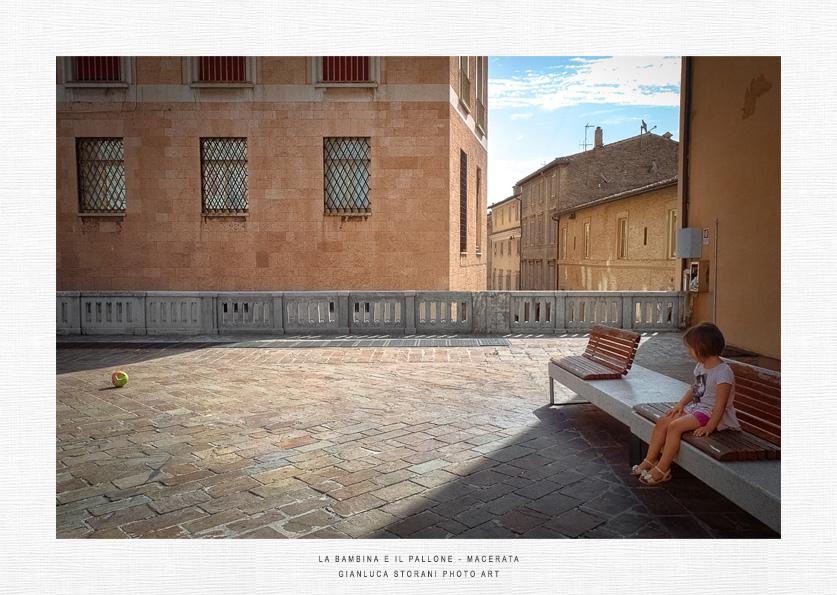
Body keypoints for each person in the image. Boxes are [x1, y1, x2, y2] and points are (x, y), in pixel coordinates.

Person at [631, 322, 741, 484]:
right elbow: (694, 389)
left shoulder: (723, 372)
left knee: (675, 427)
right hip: (696, 408)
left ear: (703, 347)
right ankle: (650, 460)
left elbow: (721, 405)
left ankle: (663, 468)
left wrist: (710, 426)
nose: (688, 352)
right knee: (663, 421)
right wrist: (681, 404)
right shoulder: (701, 366)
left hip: (709, 414)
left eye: (690, 348)